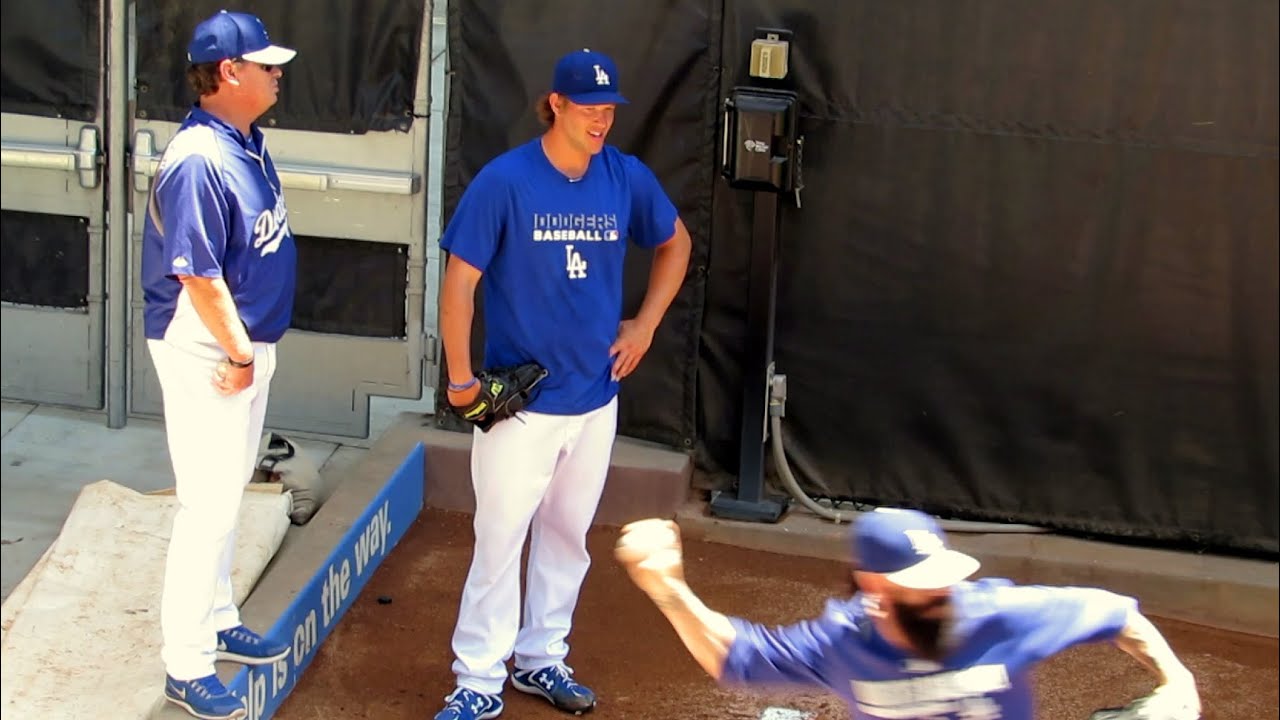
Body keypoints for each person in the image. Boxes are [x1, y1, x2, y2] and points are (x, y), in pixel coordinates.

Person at [432, 48, 693, 720]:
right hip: (523, 405)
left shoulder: (623, 176)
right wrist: (460, 381)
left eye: (608, 110)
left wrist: (645, 326)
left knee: (567, 537)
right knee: (499, 542)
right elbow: (459, 285)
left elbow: (677, 243)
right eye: (588, 108)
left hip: (595, 398)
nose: (600, 120)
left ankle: (541, 658)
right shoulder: (506, 181)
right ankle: (478, 678)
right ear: (556, 104)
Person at [614, 508, 1203, 720]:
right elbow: (734, 656)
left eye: (943, 580)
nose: (942, 594)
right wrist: (668, 589)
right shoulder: (843, 643)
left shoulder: (998, 614)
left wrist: (1178, 681)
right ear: (875, 587)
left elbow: (1119, 615)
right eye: (923, 586)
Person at [140, 10, 299, 720]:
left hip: (243, 344)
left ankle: (217, 614)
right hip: (207, 347)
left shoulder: (246, 141)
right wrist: (238, 353)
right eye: (266, 65)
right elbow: (197, 275)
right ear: (229, 72)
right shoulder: (199, 159)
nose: (278, 74)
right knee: (206, 506)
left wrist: (251, 349)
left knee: (228, 495)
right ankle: (185, 663)